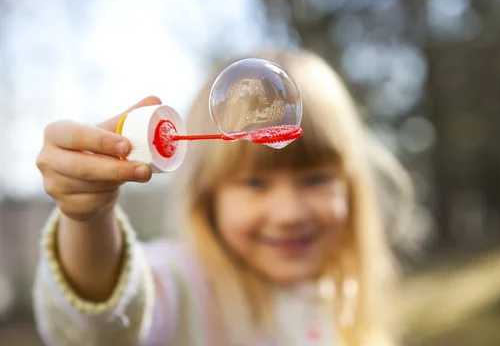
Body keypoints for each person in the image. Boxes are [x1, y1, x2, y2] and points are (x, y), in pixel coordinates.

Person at [33, 49, 414, 345]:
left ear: (351, 186)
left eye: (315, 180)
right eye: (254, 184)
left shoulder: (341, 295)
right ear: (207, 196)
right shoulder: (182, 285)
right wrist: (89, 218)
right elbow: (100, 330)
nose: (289, 213)